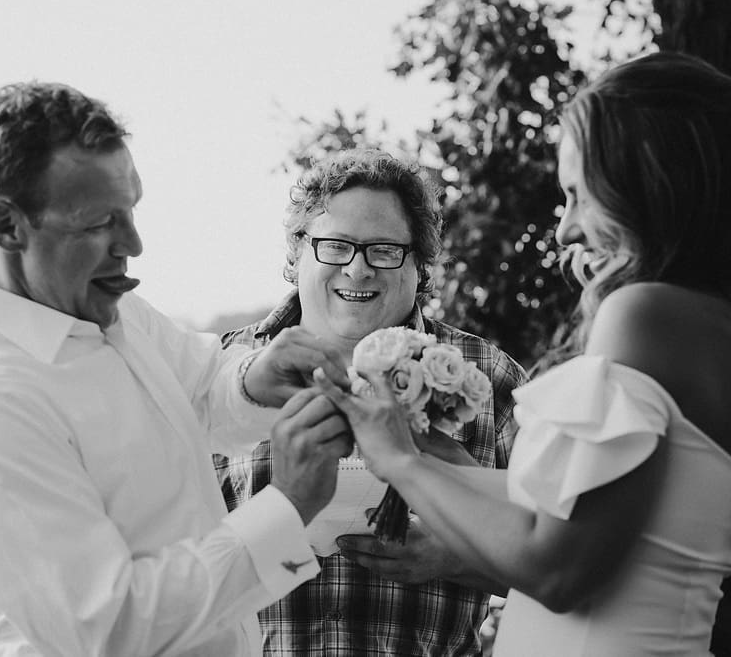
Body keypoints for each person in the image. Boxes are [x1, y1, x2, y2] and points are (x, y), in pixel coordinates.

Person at [0, 81, 357, 656]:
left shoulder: (102, 305)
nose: (134, 244)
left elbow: (198, 390)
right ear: (6, 227)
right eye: (98, 223)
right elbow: (112, 628)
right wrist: (287, 508)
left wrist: (254, 379)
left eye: (131, 210)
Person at [316, 51, 731, 656]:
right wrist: (448, 463)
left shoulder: (643, 313)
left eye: (578, 195)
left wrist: (401, 460)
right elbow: (607, 521)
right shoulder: (701, 324)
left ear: (648, 185)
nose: (564, 229)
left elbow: (557, 568)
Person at [213, 148, 528, 655]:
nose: (358, 270)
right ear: (299, 253)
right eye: (335, 246)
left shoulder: (488, 377)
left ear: (419, 262)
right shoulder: (225, 373)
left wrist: (456, 554)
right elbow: (169, 563)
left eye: (384, 249)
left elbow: (565, 560)